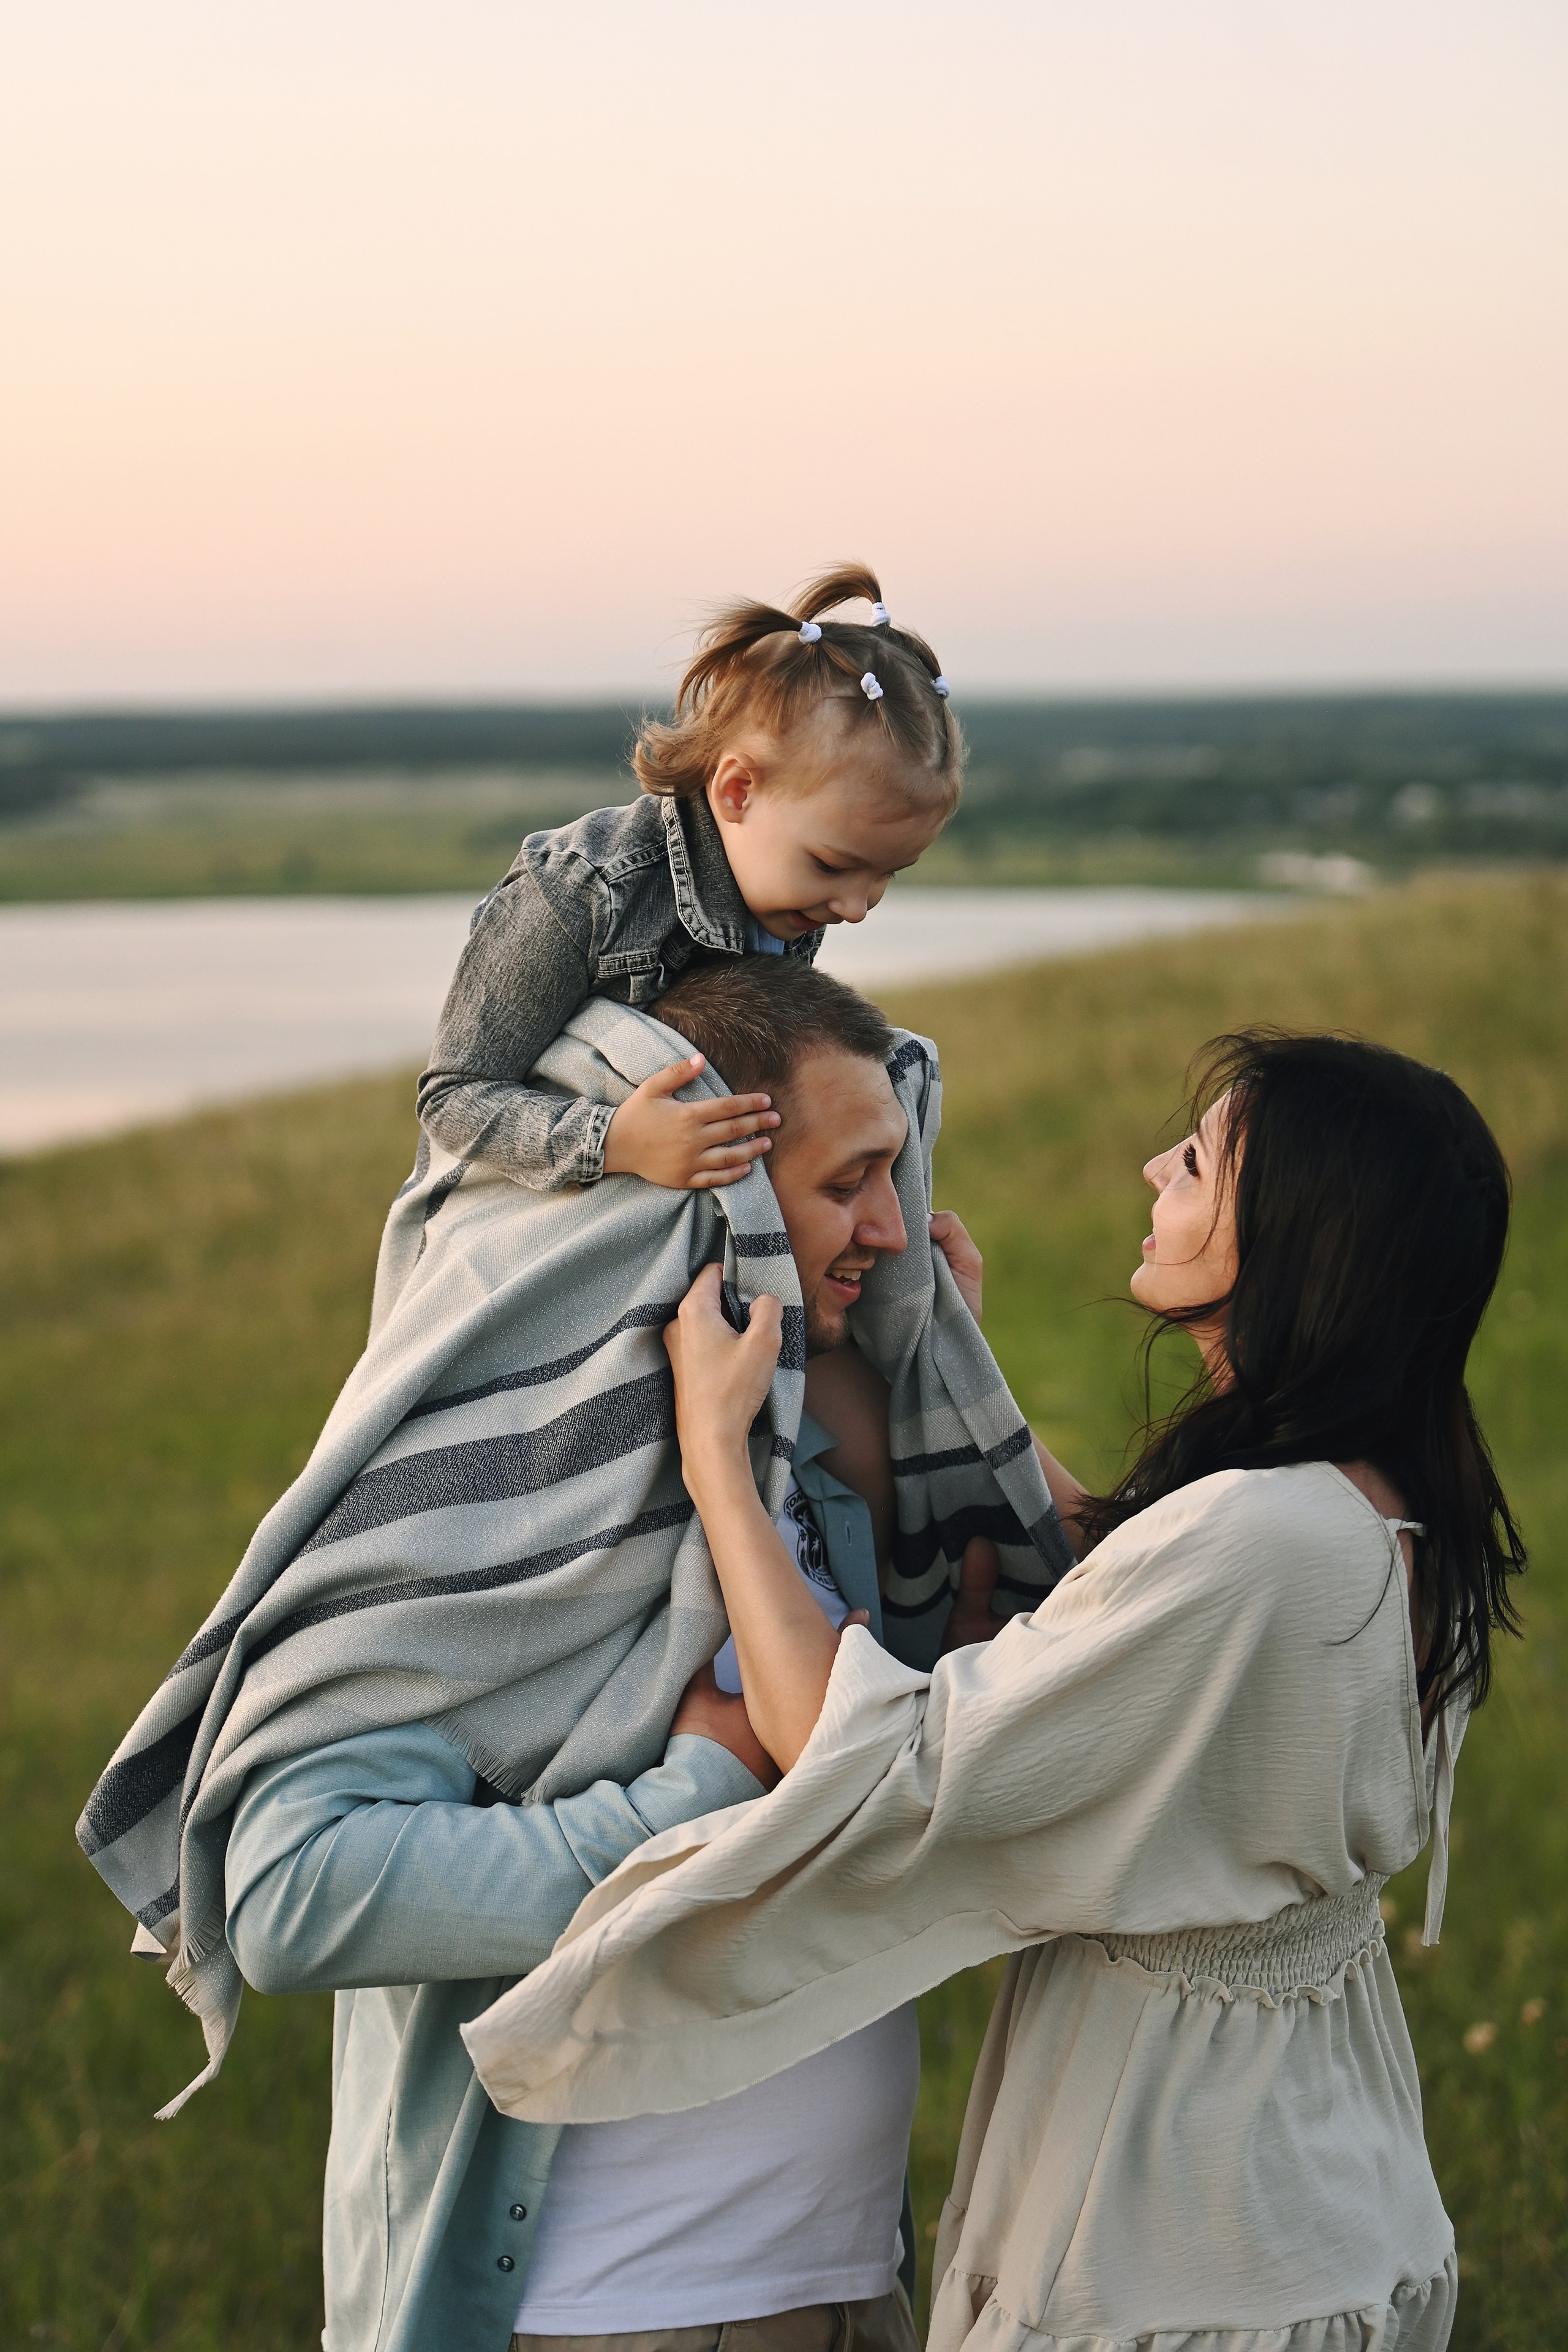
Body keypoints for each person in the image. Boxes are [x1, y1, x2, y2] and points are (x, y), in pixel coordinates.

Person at [464, 1032, 1526, 2352]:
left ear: (1300, 1241)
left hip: (1178, 2224)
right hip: (1304, 2177)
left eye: (1194, 1163)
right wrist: (948, 1356)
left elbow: (861, 1762)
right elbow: (1124, 1569)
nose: (1153, 1168)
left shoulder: (1258, 1545)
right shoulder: (1374, 1510)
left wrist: (717, 1463)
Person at [206, 960, 1023, 2352]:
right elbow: (288, 1892)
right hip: (607, 2312)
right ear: (711, 1192)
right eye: (849, 1182)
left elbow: (874, 1802)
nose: (892, 1227)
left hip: (842, 2286)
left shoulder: (810, 1481)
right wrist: (678, 1810)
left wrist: (934, 1378)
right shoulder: (488, 1522)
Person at [416, 563, 962, 1194]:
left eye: (885, 875)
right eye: (832, 866)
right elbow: (455, 1097)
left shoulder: (786, 896)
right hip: (529, 1227)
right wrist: (615, 1139)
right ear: (737, 791)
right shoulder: (582, 890)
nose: (856, 907)